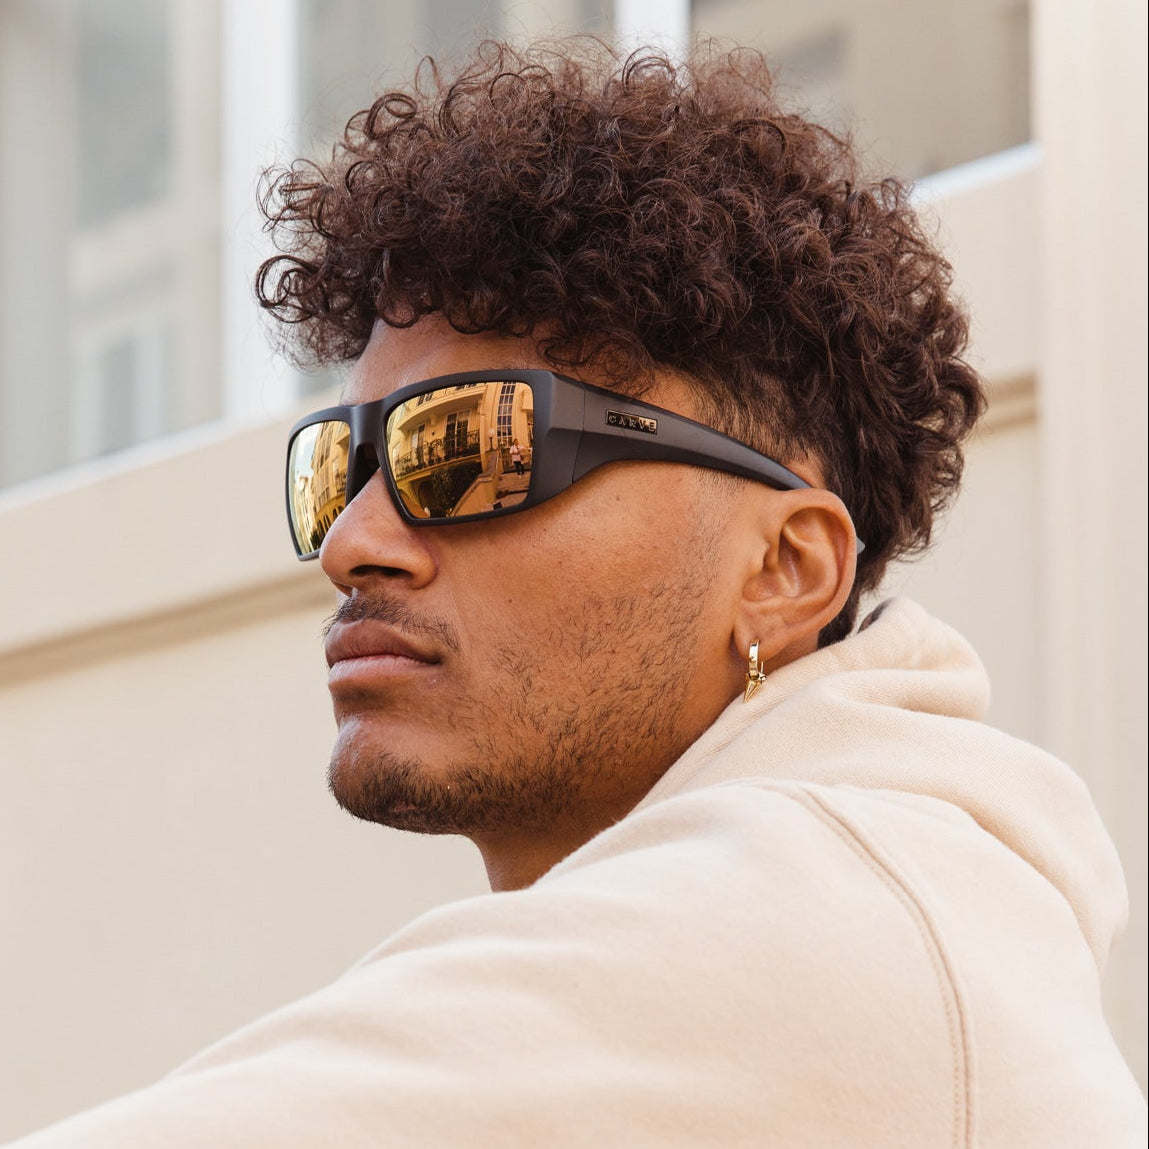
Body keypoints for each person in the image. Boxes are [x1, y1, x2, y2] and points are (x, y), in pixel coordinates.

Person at [8, 38, 1144, 1149]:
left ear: (785, 569)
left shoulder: (805, 929)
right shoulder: (886, 905)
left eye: (470, 448)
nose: (353, 543)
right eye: (336, 468)